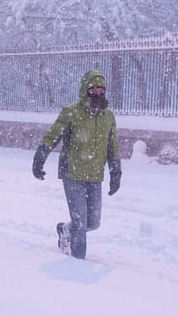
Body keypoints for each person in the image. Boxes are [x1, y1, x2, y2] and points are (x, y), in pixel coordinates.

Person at [32, 70, 121, 260]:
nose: (98, 92)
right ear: (85, 90)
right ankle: (78, 264)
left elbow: (112, 146)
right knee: (80, 223)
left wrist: (116, 173)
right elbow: (53, 135)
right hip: (72, 173)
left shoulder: (108, 117)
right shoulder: (71, 112)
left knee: (93, 223)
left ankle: (65, 230)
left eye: (101, 89)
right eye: (93, 89)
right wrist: (39, 159)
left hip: (95, 175)